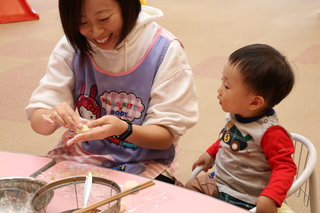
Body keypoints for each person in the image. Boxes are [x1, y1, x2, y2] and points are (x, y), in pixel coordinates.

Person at [25, 0, 198, 185]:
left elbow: (163, 138)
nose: (96, 32)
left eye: (104, 18)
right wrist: (49, 115)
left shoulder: (164, 50)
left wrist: (124, 130)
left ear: (128, 6)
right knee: (41, 194)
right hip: (86, 152)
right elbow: (39, 123)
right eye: (82, 22)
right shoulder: (72, 46)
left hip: (145, 159)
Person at [185, 44, 297, 212]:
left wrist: (270, 196)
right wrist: (212, 152)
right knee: (188, 190)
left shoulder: (270, 133)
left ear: (254, 102)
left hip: (246, 197)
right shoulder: (237, 114)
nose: (219, 89)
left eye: (227, 86)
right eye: (222, 81)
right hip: (220, 181)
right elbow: (228, 138)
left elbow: (286, 167)